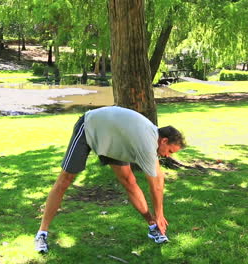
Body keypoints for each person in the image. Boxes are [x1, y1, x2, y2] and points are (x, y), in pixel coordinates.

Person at [34, 106, 186, 253]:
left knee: (129, 182)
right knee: (64, 181)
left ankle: (153, 227)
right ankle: (42, 233)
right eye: (170, 151)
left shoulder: (151, 139)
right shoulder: (147, 143)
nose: (168, 156)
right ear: (164, 141)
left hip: (113, 140)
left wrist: (158, 214)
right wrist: (159, 214)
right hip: (89, 128)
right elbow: (156, 185)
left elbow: (159, 179)